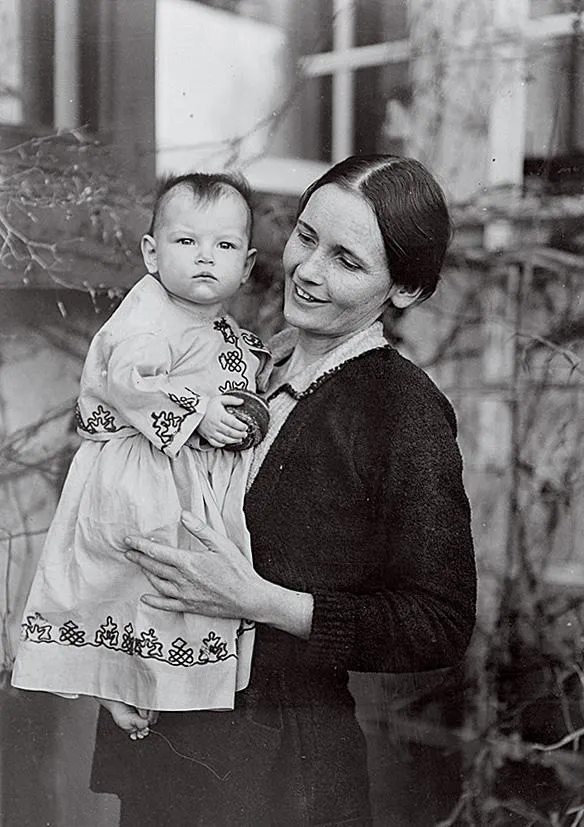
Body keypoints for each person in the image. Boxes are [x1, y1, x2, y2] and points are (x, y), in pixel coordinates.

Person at [91, 154, 477, 827]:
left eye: (347, 260)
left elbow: (437, 622)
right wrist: (120, 661)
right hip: (165, 734)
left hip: (280, 771)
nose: (307, 269)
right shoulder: (228, 358)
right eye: (305, 236)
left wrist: (260, 600)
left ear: (406, 289)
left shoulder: (401, 410)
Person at [12, 172, 271, 738]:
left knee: (183, 591)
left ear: (246, 267)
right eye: (186, 242)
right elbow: (131, 380)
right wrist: (200, 412)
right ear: (151, 253)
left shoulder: (220, 324)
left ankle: (166, 688)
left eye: (223, 246)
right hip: (143, 472)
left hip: (189, 476)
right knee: (130, 583)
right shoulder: (146, 315)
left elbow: (231, 371)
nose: (205, 258)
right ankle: (117, 687)